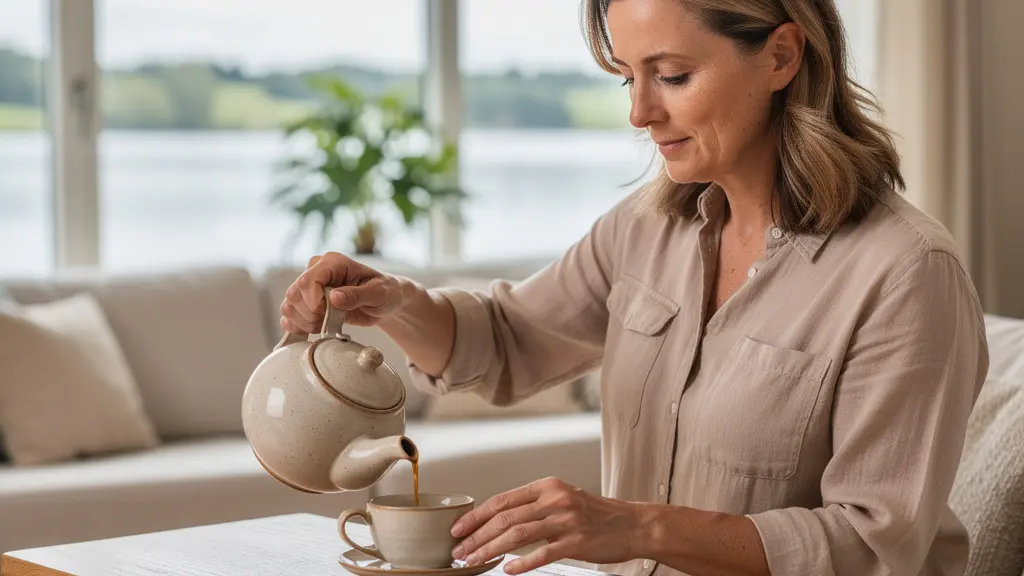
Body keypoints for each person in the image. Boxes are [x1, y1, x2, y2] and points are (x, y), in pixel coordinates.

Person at [279, 0, 989, 574]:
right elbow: (507, 341)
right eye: (628, 77)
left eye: (672, 76)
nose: (638, 113)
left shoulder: (905, 274)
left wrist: (634, 525)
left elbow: (871, 547)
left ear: (781, 56)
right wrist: (393, 301)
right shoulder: (644, 230)